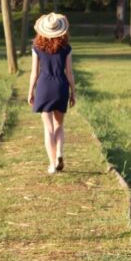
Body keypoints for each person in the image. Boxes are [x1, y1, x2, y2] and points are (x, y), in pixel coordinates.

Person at [27, 13, 76, 174]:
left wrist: (30, 92)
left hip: (44, 86)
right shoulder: (66, 48)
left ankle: (52, 164)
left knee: (48, 128)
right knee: (59, 125)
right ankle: (60, 153)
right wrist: (73, 92)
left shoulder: (37, 48)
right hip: (61, 86)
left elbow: (34, 73)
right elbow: (69, 73)